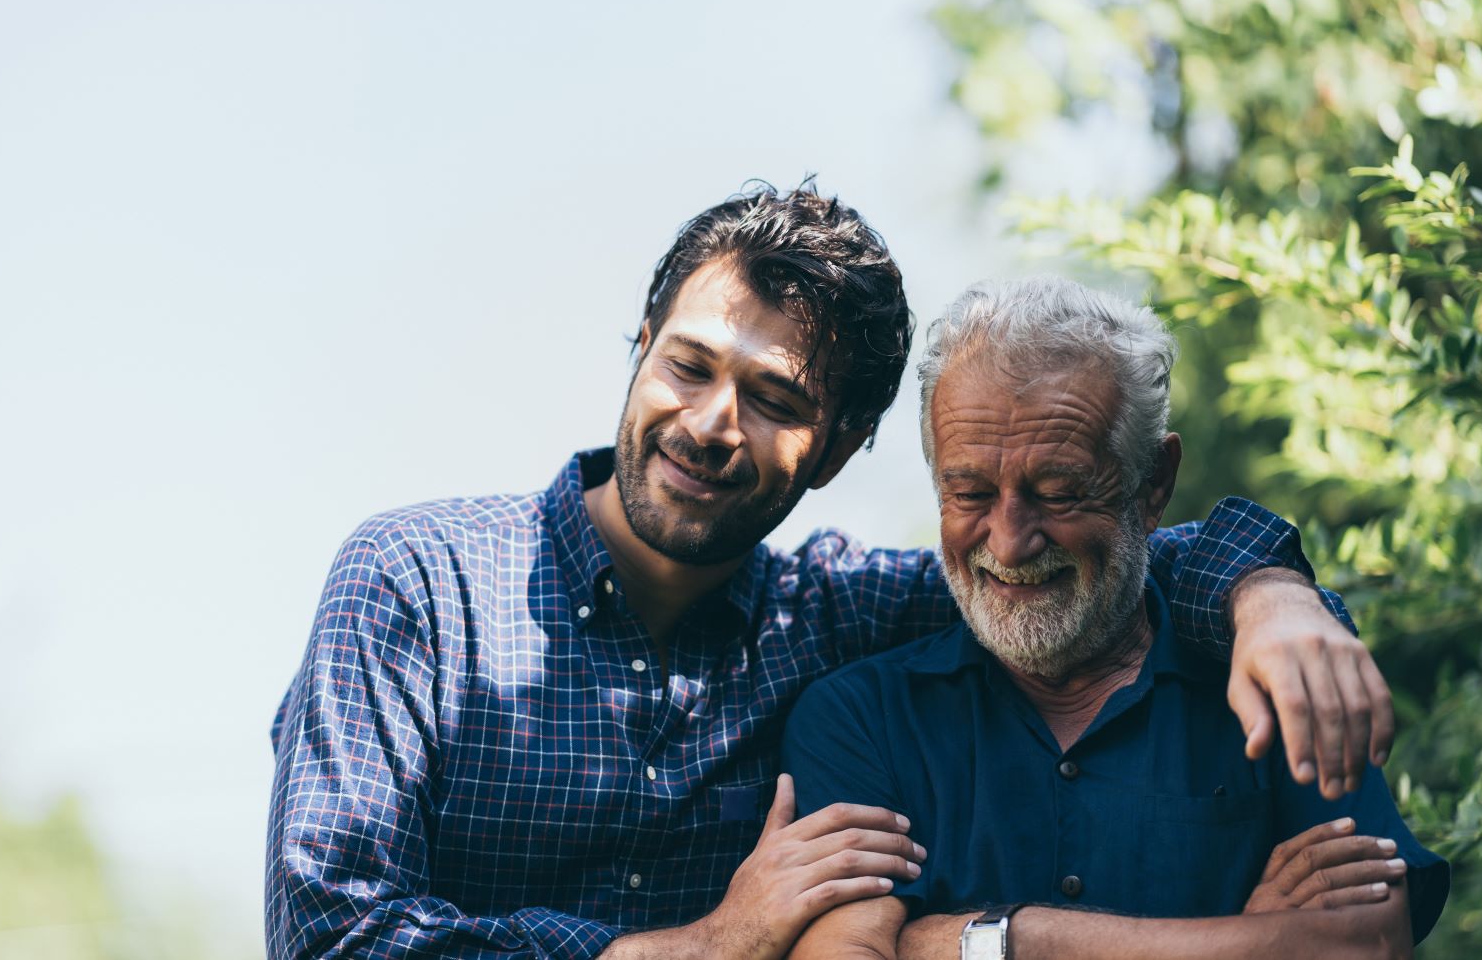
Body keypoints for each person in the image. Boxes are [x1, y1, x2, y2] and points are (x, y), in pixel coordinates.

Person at [266, 185, 1394, 960]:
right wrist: (709, 944)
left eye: (775, 401)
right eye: (688, 365)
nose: (710, 424)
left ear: (843, 449)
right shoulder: (418, 583)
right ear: (640, 346)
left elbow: (1083, 548)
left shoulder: (834, 617)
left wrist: (1271, 594)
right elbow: (331, 937)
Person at [782, 276, 1449, 960]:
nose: (1010, 542)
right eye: (971, 492)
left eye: (1062, 494)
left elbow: (1364, 946)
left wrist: (983, 941)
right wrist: (1251, 942)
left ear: (1154, 484)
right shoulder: (861, 718)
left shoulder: (1279, 673)